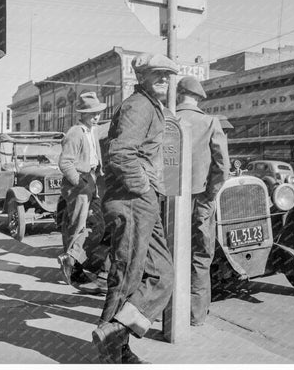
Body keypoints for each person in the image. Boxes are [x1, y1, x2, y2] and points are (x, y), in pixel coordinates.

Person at [92, 53, 179, 364]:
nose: (164, 80)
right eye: (157, 74)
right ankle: (113, 352)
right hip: (132, 199)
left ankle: (113, 333)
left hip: (143, 200)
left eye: (168, 76)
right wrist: (142, 186)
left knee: (163, 274)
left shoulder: (149, 105)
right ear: (141, 76)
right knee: (126, 276)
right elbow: (119, 153)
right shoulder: (138, 105)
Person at [176, 76, 230, 327]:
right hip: (200, 199)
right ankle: (195, 315)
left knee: (169, 253)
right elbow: (222, 167)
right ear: (198, 98)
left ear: (179, 96)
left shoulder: (166, 119)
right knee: (200, 255)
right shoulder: (210, 122)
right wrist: (210, 196)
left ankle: (168, 311)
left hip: (169, 201)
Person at [57, 91, 108, 294]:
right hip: (80, 183)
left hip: (92, 180)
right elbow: (65, 162)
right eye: (92, 113)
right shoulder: (75, 133)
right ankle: (73, 269)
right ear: (83, 114)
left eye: (97, 113)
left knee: (97, 225)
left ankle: (71, 259)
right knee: (78, 225)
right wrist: (80, 183)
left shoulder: (91, 131)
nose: (96, 117)